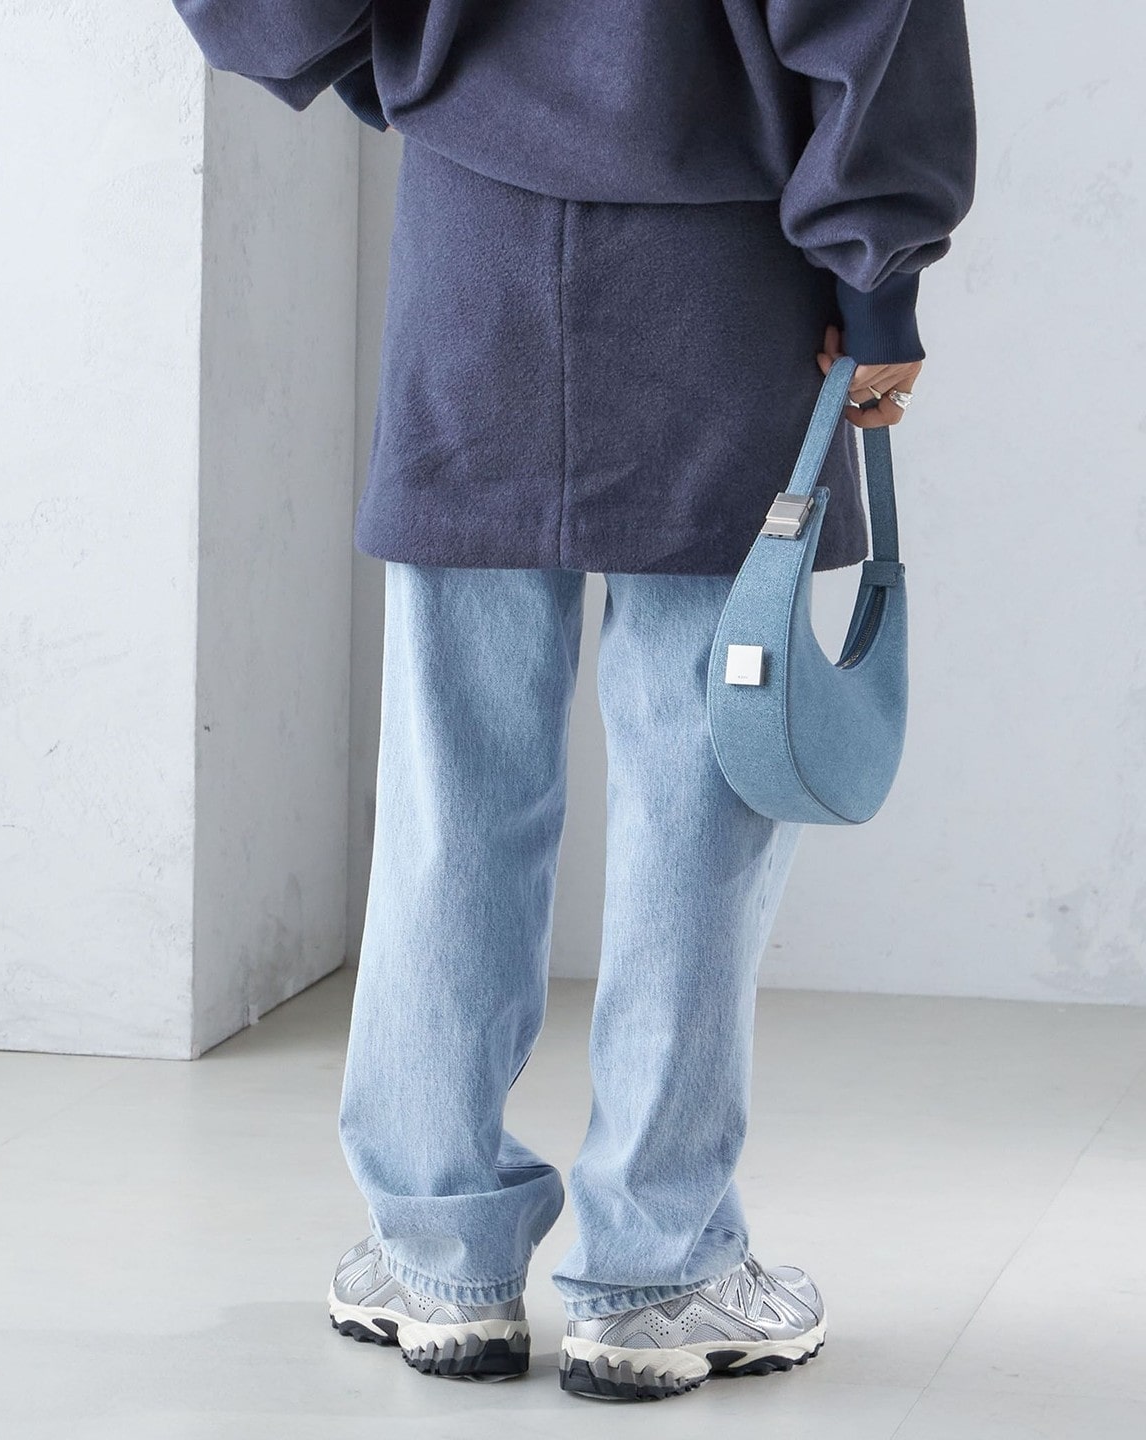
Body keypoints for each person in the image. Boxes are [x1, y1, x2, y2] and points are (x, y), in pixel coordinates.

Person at [173, 0, 977, 1404]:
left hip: (474, 239)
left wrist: (416, 73)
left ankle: (438, 1256)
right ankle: (658, 1273)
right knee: (706, 780)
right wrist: (878, 276)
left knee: (455, 774)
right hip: (724, 264)